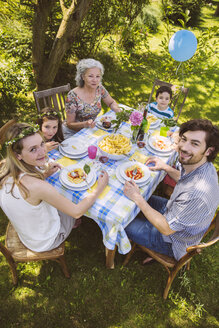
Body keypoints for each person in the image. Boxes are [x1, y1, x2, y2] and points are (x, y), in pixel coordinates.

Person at [0, 122, 108, 252]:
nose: (42, 152)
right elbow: (77, 211)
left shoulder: (4, 169)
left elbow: (28, 194)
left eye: (41, 144)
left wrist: (45, 174)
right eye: (33, 149)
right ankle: (72, 224)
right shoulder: (37, 186)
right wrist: (99, 188)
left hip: (27, 232)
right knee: (74, 200)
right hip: (45, 241)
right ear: (18, 155)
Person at [124, 119, 219, 261]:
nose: (184, 147)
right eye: (184, 139)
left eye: (194, 143)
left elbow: (166, 228)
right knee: (132, 201)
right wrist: (165, 167)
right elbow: (186, 180)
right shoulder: (203, 166)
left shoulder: (197, 195)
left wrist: (138, 198)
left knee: (120, 221)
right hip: (173, 211)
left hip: (171, 241)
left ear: (208, 151)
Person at [62, 58, 121, 139]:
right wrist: (85, 124)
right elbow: (70, 124)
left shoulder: (99, 89)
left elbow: (111, 102)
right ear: (83, 77)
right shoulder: (73, 96)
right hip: (72, 133)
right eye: (90, 76)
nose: (95, 80)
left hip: (90, 129)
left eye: (98, 76)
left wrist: (118, 110)